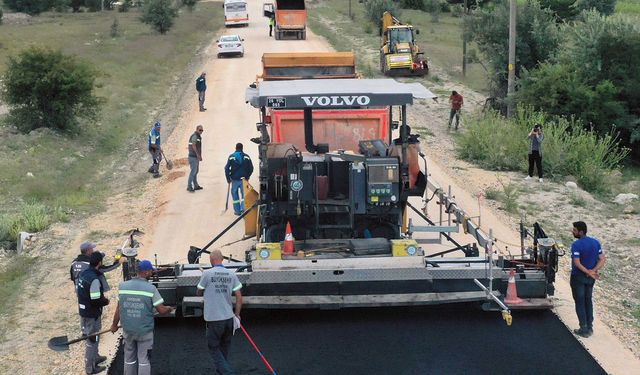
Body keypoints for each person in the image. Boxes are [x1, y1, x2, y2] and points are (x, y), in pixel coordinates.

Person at [110, 260, 173, 375]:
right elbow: (161, 310)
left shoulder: (123, 286)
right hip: (145, 332)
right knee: (144, 360)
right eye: (151, 271)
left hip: (128, 331)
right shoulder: (151, 289)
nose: (152, 273)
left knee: (129, 359)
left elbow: (118, 309)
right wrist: (169, 308)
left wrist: (114, 325)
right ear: (146, 272)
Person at [196, 250, 243, 375]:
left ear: (211, 261)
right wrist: (237, 315)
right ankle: (222, 372)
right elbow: (239, 297)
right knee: (224, 349)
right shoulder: (231, 274)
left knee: (214, 348)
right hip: (229, 318)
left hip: (214, 319)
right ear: (222, 259)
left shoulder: (206, 274)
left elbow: (199, 292)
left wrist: (206, 289)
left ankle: (227, 373)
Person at [570, 221, 606, 338]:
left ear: (581, 232)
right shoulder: (595, 242)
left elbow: (577, 262)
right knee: (588, 300)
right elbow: (602, 259)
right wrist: (593, 271)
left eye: (575, 230)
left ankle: (583, 328)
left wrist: (587, 272)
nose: (573, 232)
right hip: (591, 278)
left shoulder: (577, 245)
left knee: (580, 301)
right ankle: (590, 327)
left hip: (578, 277)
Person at [76, 252, 110, 374]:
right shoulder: (94, 280)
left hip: (84, 311)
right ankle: (90, 368)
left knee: (95, 336)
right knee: (92, 340)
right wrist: (106, 301)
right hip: (92, 314)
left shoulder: (84, 273)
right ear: (99, 263)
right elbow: (96, 300)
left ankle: (96, 357)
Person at [224, 143, 254, 216]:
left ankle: (237, 211)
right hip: (244, 179)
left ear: (235, 148)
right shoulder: (247, 157)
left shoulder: (231, 157)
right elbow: (251, 168)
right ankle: (243, 210)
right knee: (244, 195)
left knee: (235, 196)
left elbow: (226, 168)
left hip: (234, 180)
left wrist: (228, 179)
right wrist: (247, 176)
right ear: (242, 148)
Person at [187, 125, 204, 192]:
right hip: (193, 157)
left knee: (196, 171)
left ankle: (196, 185)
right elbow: (193, 145)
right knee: (193, 171)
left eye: (202, 130)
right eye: (200, 130)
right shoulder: (195, 136)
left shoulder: (198, 136)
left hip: (195, 157)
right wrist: (198, 155)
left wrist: (199, 155)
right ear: (196, 129)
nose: (201, 131)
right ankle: (189, 186)